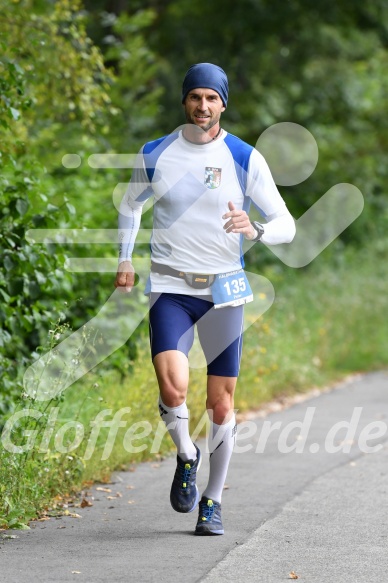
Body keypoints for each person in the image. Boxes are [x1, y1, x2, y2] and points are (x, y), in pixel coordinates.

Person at [114, 63, 295, 535]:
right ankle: (186, 454)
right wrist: (126, 258)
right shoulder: (157, 154)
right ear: (185, 102)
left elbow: (287, 224)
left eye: (212, 98)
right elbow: (130, 204)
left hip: (223, 289)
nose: (203, 106)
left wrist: (255, 228)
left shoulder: (244, 157)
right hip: (172, 286)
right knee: (172, 387)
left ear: (223, 103)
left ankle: (212, 500)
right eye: (195, 97)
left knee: (220, 403)